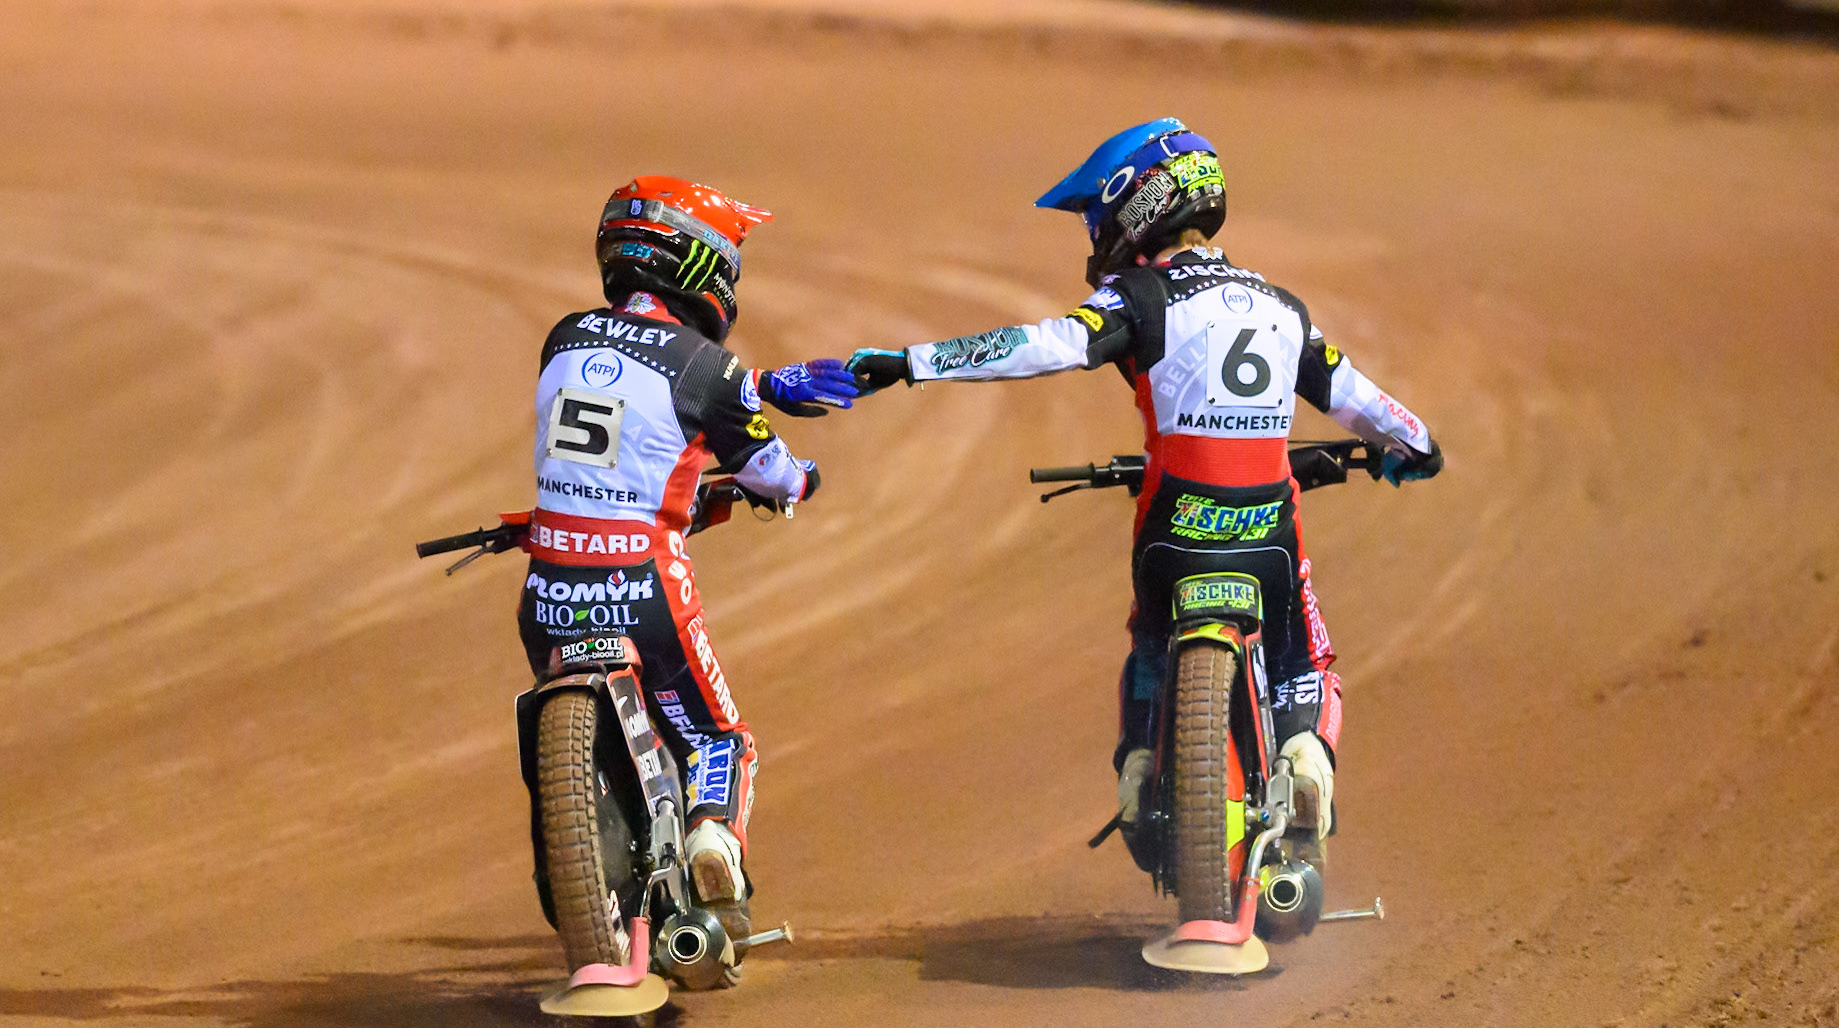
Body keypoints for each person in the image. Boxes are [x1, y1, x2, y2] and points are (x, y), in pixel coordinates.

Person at [847, 119, 1441, 868]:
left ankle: (1136, 768)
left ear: (1137, 207)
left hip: (1171, 529)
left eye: (1098, 215)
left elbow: (1042, 346)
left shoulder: (1136, 297)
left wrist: (912, 361)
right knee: (1303, 653)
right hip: (1266, 531)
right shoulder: (1283, 308)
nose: (1094, 234)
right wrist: (1414, 450)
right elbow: (1365, 403)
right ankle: (1307, 760)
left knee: (1149, 637)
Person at [520, 176, 856, 943]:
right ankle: (712, 837)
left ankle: (585, 842)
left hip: (546, 584)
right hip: (643, 586)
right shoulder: (713, 369)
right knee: (718, 736)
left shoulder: (563, 336)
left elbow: (627, 421)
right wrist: (801, 476)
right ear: (702, 267)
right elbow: (766, 467)